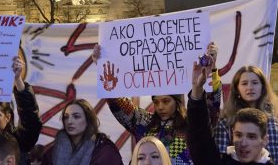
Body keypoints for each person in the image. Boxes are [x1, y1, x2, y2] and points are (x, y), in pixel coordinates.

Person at [92, 42, 221, 164]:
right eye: (156, 102)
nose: (160, 107)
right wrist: (102, 67)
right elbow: (118, 104)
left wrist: (212, 71)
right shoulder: (144, 122)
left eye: (166, 101)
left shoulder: (193, 125)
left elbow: (211, 107)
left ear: (177, 102)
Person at [187, 60, 274, 164]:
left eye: (251, 136)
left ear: (265, 140)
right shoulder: (224, 158)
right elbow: (200, 140)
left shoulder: (273, 122)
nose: (243, 143)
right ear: (232, 134)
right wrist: (197, 89)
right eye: (238, 135)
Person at [214, 66, 278, 164]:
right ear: (237, 89)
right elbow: (219, 158)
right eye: (244, 83)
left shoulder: (273, 120)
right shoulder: (226, 122)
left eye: (255, 83)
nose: (250, 87)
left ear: (263, 87)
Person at [48, 99, 123, 165]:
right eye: (66, 117)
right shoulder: (54, 151)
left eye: (76, 116)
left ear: (88, 120)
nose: (69, 121)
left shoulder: (105, 151)